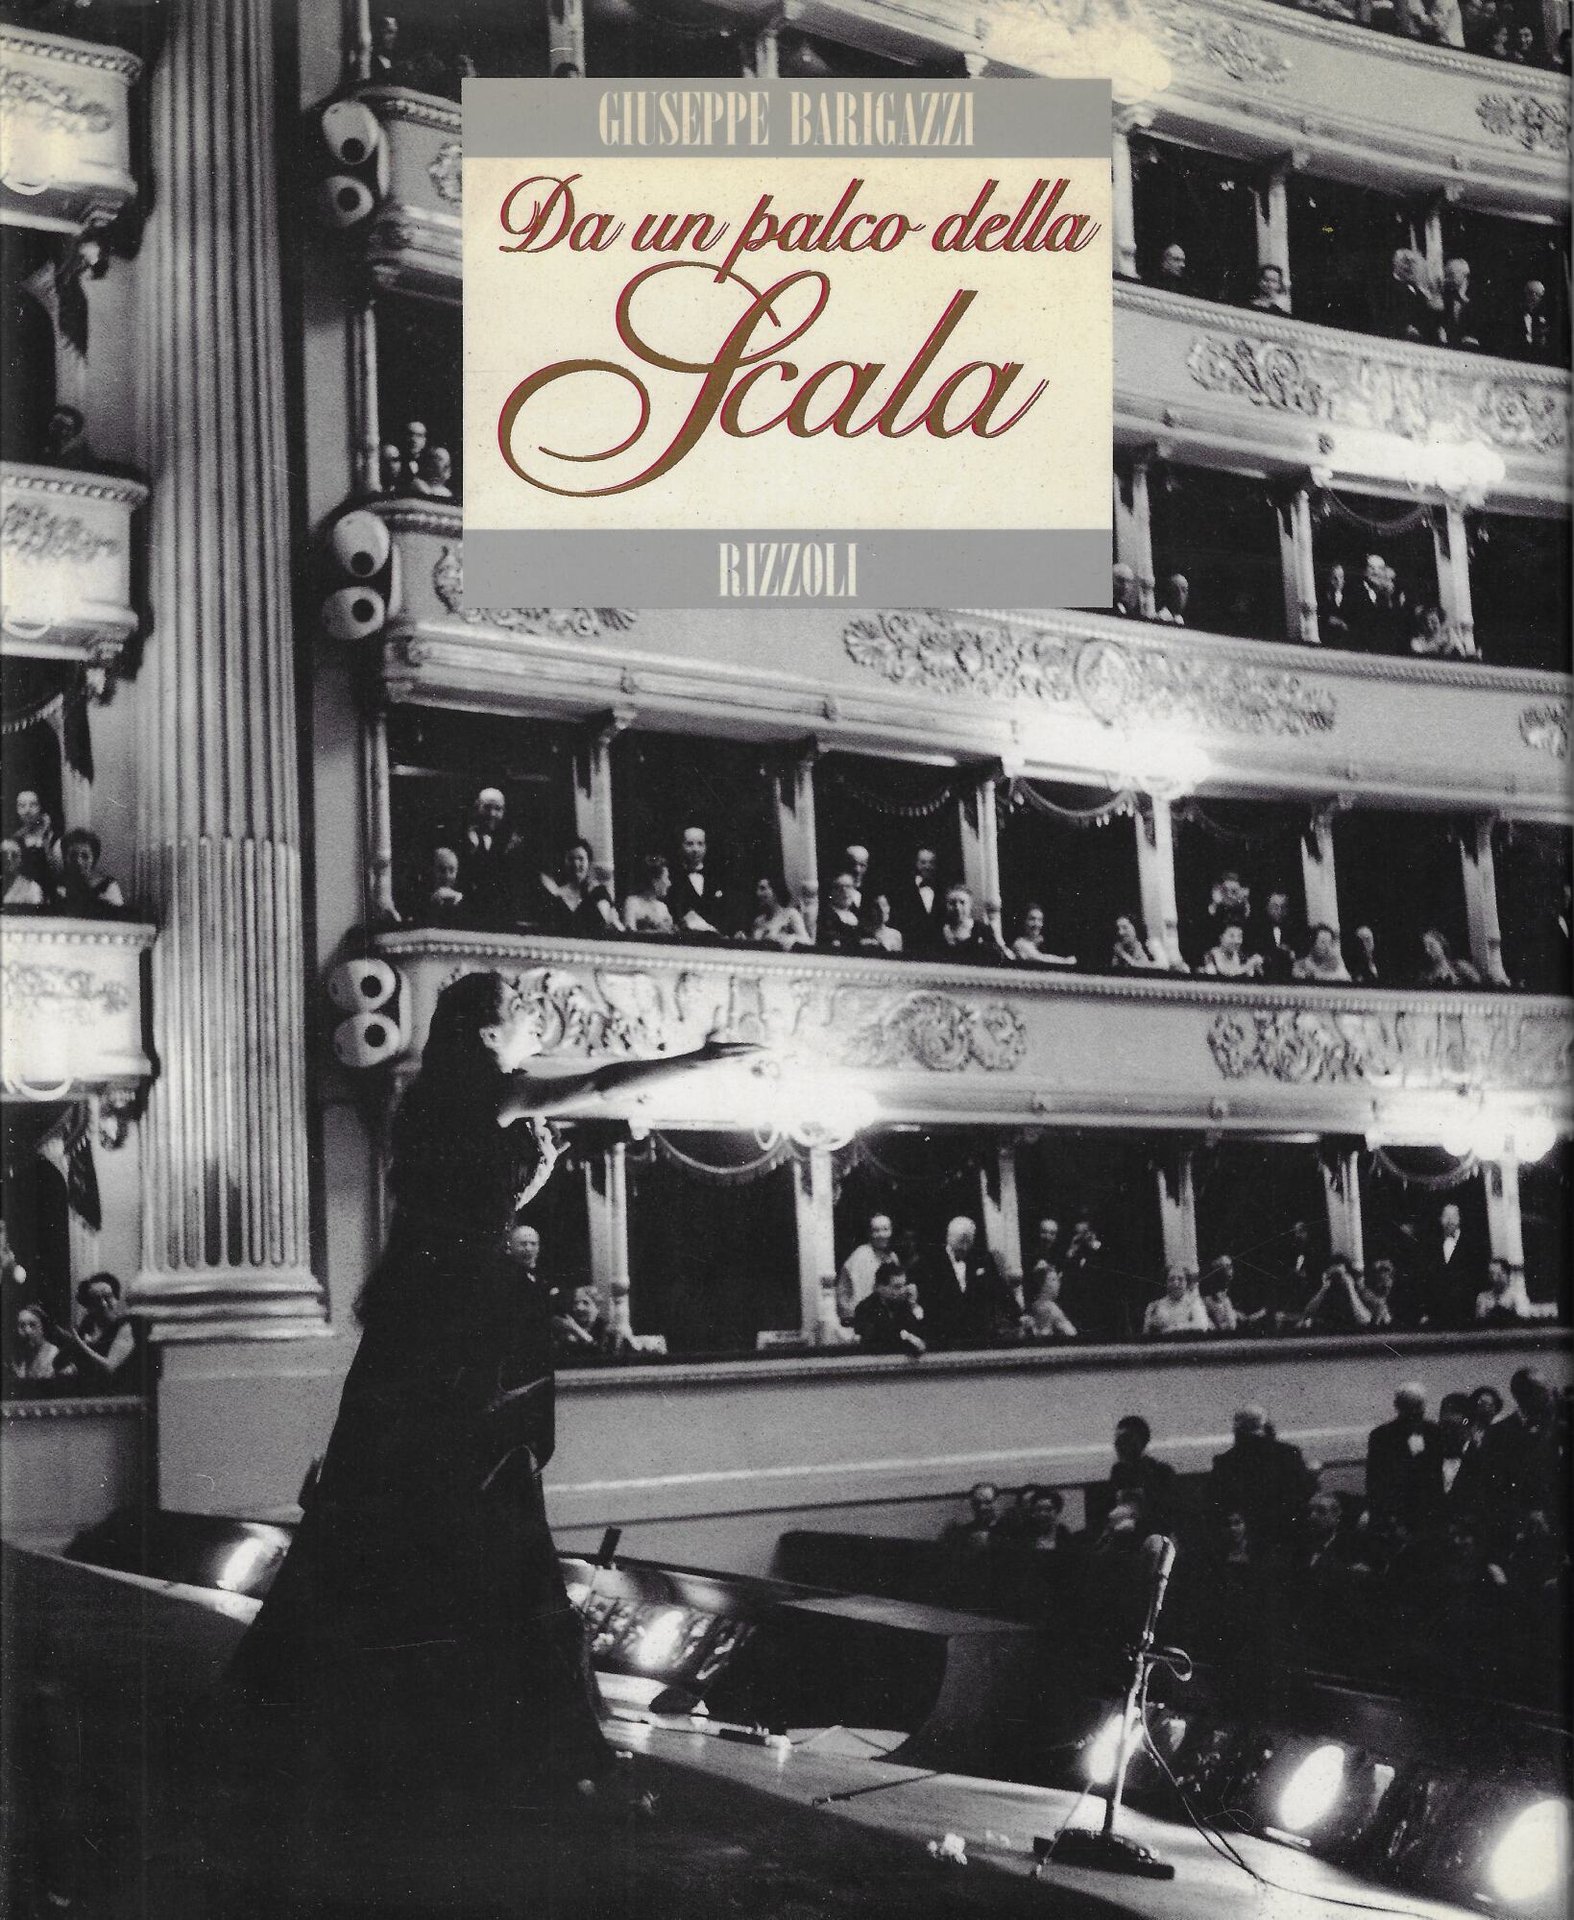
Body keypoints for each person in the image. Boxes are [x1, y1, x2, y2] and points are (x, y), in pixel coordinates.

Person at [223, 971, 754, 1826]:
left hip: (420, 1314)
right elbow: (600, 1084)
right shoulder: (491, 1094)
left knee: (397, 1492)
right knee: (485, 1493)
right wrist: (695, 1060)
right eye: (520, 1011)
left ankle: (368, 1714)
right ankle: (507, 1734)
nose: (533, 1020)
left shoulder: (431, 1102)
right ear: (483, 1031)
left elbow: (475, 1196)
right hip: (467, 1316)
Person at [1210, 1405, 1317, 1553]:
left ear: (1237, 1429)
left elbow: (1218, 1501)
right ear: (1265, 1425)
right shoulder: (1288, 1453)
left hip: (1252, 1537)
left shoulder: (1225, 1461)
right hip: (1289, 1533)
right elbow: (1306, 1490)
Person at [914, 1215, 1018, 1349]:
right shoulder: (930, 1263)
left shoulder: (983, 1258)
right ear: (948, 1238)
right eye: (960, 1242)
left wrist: (1018, 1316)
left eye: (968, 1242)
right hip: (943, 1338)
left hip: (979, 1336)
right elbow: (925, 1300)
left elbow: (1000, 1289)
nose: (964, 1247)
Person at [1366, 1383, 1439, 1529]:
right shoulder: (1382, 1436)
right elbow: (1375, 1480)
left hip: (1432, 1513)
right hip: (1396, 1515)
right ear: (1398, 1406)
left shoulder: (1435, 1432)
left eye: (1417, 1407)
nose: (1414, 1412)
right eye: (1409, 1407)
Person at [53, 1272, 137, 1389]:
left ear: (116, 1298)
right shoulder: (88, 1324)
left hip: (117, 1392)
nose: (103, 1304)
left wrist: (81, 1344)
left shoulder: (126, 1326)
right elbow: (59, 1362)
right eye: (96, 1299)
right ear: (89, 1305)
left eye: (108, 1297)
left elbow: (110, 1367)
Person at [454, 786, 522, 923]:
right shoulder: (460, 838)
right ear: (476, 808)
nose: (492, 814)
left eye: (498, 809)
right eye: (487, 807)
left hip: (499, 917)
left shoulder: (510, 843)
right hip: (464, 915)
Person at [539, 840, 622, 938]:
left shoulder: (599, 893)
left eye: (581, 859)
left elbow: (608, 921)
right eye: (571, 859)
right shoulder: (557, 894)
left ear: (588, 862)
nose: (576, 864)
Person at [852, 1258, 926, 1356]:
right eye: (897, 1287)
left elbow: (922, 1334)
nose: (903, 1291)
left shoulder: (906, 1305)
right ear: (879, 1287)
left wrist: (913, 1305)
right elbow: (876, 1340)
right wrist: (907, 1338)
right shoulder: (865, 1308)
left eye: (904, 1285)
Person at [835, 1212, 896, 1331]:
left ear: (891, 1231)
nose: (881, 1235)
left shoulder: (891, 1256)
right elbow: (863, 1299)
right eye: (876, 1230)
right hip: (856, 1320)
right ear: (870, 1233)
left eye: (885, 1229)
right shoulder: (862, 1255)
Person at [1374, 249, 1442, 345]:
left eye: (1412, 262)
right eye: (1405, 261)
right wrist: (1403, 328)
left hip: (1420, 342)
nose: (1409, 266)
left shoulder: (1418, 291)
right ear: (1395, 263)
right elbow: (1384, 315)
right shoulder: (1386, 287)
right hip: (1396, 341)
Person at [53, 829, 125, 916]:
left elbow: (119, 918)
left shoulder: (108, 886)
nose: (78, 861)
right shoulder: (56, 884)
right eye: (73, 855)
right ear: (65, 858)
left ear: (94, 859)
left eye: (85, 856)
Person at [550, 1284, 628, 1363]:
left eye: (585, 1303)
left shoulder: (609, 1330)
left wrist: (577, 1330)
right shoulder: (568, 1329)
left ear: (597, 1307)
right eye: (575, 1303)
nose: (579, 1307)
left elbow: (603, 1356)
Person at [672, 824, 726, 936]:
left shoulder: (716, 878)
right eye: (689, 844)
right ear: (681, 847)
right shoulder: (672, 878)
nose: (695, 849)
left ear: (706, 847)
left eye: (700, 844)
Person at [937, 884, 1010, 964]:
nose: (957, 907)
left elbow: (997, 957)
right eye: (952, 903)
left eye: (962, 902)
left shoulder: (983, 930)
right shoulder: (938, 931)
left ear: (970, 905)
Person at [890, 847, 943, 955]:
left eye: (931, 862)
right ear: (916, 864)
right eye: (923, 862)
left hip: (938, 950)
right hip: (911, 949)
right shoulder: (903, 890)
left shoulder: (942, 890)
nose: (927, 866)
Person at [739, 874, 809, 950]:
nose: (758, 893)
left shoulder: (790, 915)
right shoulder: (759, 921)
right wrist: (744, 940)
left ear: (775, 892)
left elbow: (807, 941)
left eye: (763, 888)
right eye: (758, 889)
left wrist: (792, 939)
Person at [1142, 1266, 1211, 1337]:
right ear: (1166, 1282)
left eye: (1180, 1279)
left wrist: (1171, 1328)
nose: (1176, 1283)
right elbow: (1146, 1334)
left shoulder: (1194, 1302)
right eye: (1171, 1279)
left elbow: (1202, 1325)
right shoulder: (1154, 1306)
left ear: (1187, 1283)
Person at [9, 1305, 67, 1389]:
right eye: (22, 1326)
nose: (27, 1331)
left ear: (43, 1329)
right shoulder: (20, 1357)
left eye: (33, 1325)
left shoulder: (54, 1355)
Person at [620, 853, 677, 936]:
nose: (669, 883)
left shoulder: (662, 907)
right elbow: (630, 934)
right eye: (666, 878)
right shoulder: (632, 903)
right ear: (655, 882)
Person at [13, 790, 59, 890]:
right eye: (22, 806)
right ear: (17, 810)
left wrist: (45, 837)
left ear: (40, 808)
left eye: (33, 805)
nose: (27, 810)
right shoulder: (16, 839)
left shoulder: (52, 835)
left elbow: (56, 869)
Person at [1253, 889, 1301, 983]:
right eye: (1275, 906)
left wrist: (1290, 952)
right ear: (1267, 907)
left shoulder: (1295, 929)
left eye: (1283, 907)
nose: (1279, 911)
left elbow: (1300, 954)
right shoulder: (1256, 928)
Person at [940, 1481, 1000, 1552]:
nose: (982, 1507)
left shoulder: (1003, 1528)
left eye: (987, 1502)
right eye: (977, 1503)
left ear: (996, 1502)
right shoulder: (962, 1531)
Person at [1503, 278, 1554, 361]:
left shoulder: (1542, 319)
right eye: (1529, 293)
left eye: (1538, 295)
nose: (1533, 298)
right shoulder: (1513, 315)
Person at [1011, 903, 1075, 967]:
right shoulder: (1019, 944)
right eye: (1032, 919)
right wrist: (1065, 961)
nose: (1036, 924)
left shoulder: (1037, 943)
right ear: (1024, 921)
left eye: (1040, 920)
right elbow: (1039, 958)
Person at [1024, 1261, 1077, 1339]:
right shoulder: (1051, 1308)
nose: (1058, 1283)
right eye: (1053, 1280)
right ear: (1042, 1284)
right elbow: (1071, 1332)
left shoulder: (1034, 1305)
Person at [816, 870, 867, 951]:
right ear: (831, 891)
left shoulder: (859, 915)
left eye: (848, 887)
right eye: (839, 887)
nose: (844, 891)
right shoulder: (826, 916)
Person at [1416, 926, 1481, 988]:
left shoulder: (1462, 967)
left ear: (1441, 943)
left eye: (1431, 945)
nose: (1427, 950)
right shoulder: (1426, 975)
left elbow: (1478, 985)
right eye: (1425, 947)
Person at [1439, 257, 1479, 348]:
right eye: (1446, 274)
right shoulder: (1444, 298)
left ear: (1464, 275)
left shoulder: (1477, 300)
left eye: (1451, 274)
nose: (1446, 279)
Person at [423, 845, 465, 920]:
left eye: (452, 870)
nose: (447, 876)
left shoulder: (462, 901)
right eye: (442, 870)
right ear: (431, 870)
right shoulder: (419, 899)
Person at [2, 838, 44, 908]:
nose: (8, 859)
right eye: (4, 855)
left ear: (21, 860)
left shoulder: (32, 888)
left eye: (14, 855)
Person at [1318, 562, 1349, 644]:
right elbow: (1324, 617)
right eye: (1334, 578)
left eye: (1341, 577)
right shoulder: (1324, 598)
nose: (1338, 581)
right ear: (1329, 579)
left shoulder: (1350, 598)